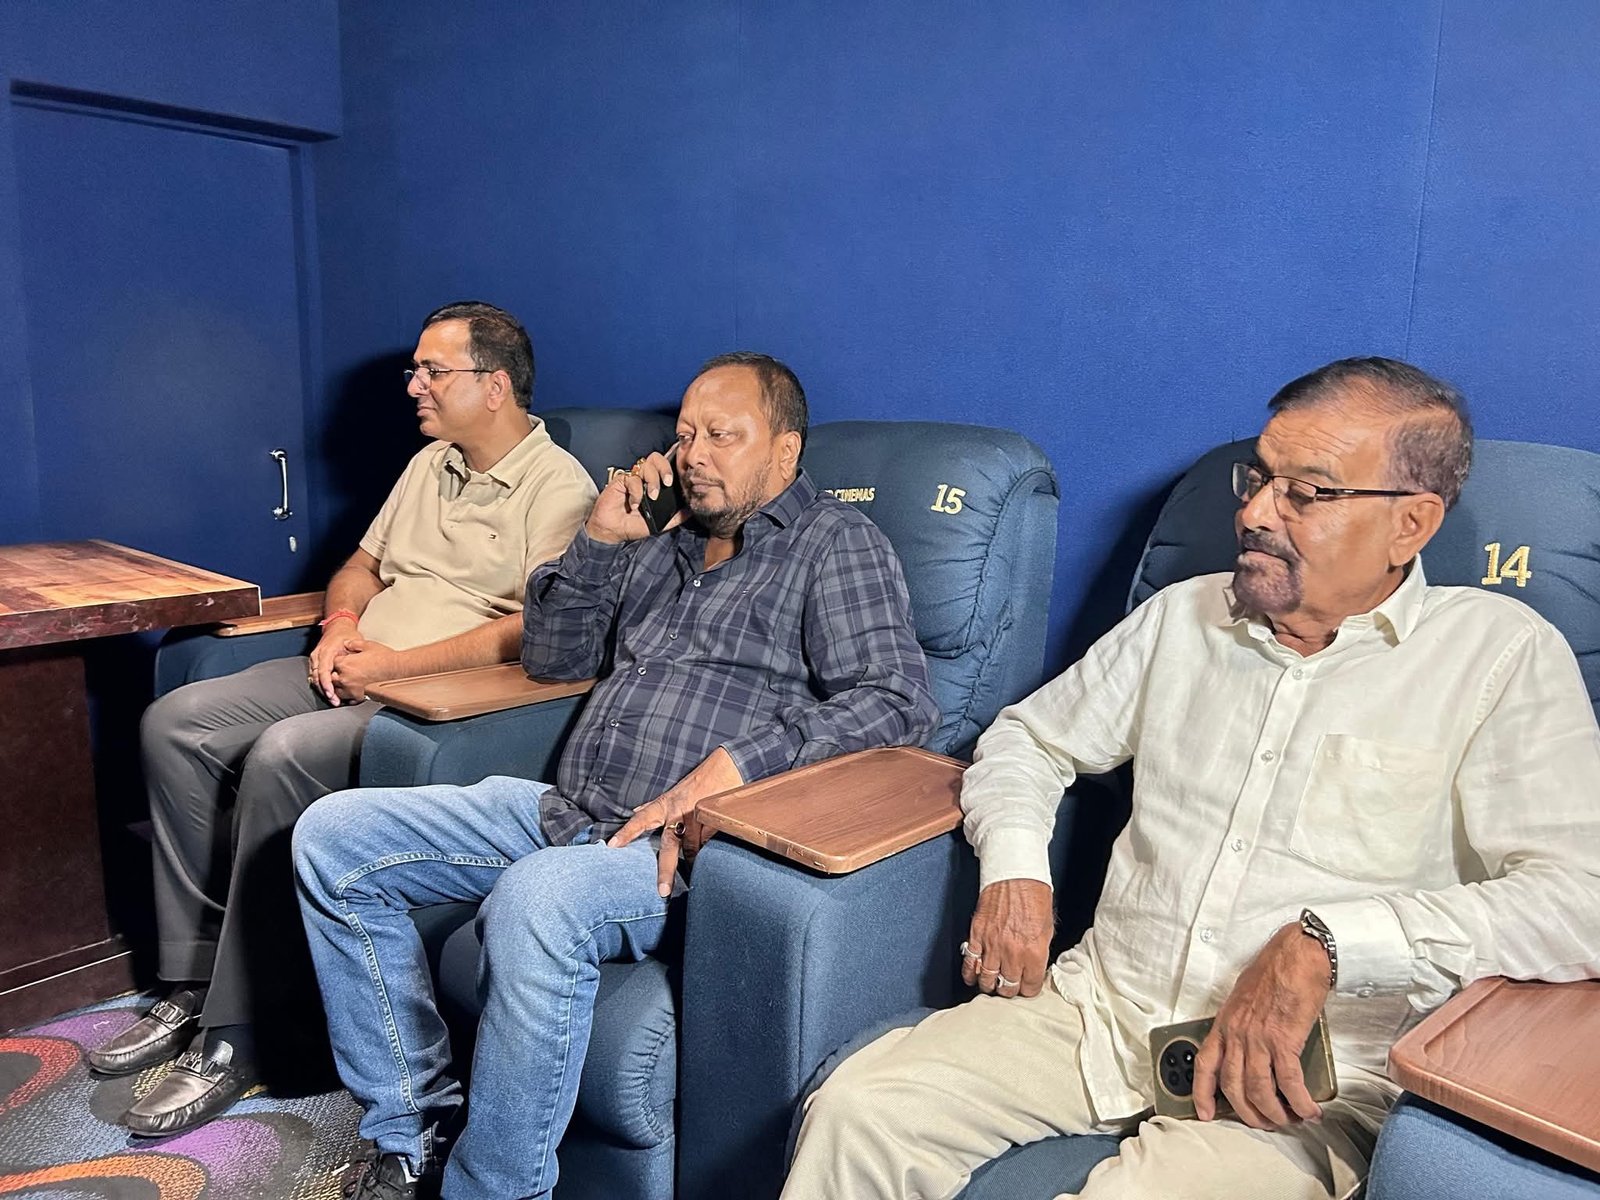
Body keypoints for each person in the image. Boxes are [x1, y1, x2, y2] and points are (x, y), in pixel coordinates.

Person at [783, 357, 1600, 1200]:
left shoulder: (1498, 655)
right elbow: (1029, 739)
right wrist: (1018, 870)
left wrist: (1329, 945)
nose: (1253, 513)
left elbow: (1581, 902)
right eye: (1259, 478)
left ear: (1411, 524)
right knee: (860, 1109)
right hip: (1100, 1014)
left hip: (1297, 1091)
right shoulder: (1183, 615)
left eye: (1306, 493)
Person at [293, 351, 939, 1200]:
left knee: (537, 897)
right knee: (333, 837)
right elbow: (556, 658)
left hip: (679, 851)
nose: (694, 455)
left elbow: (897, 702)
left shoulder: (835, 543)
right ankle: (410, 1129)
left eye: (722, 436)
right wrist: (599, 541)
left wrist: (737, 765)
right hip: (568, 810)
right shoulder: (660, 545)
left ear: (785, 450)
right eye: (686, 436)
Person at [93, 302, 597, 1138]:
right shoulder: (430, 463)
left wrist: (391, 667)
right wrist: (339, 626)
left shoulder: (560, 487)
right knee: (175, 723)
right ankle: (193, 981)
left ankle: (243, 1032)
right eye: (415, 370)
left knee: (283, 753)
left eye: (433, 371)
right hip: (352, 663)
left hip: (431, 702)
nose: (415, 386)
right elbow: (361, 566)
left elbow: (535, 630)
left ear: (495, 386)